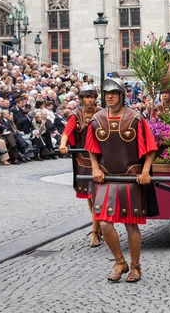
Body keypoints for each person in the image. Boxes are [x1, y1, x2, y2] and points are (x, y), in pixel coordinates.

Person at [85, 77, 159, 283]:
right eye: (107, 93)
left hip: (130, 177)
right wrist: (94, 167)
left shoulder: (135, 119)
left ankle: (135, 266)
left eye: (114, 93)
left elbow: (150, 148)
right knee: (105, 224)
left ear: (121, 95)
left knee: (130, 225)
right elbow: (92, 148)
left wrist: (145, 172)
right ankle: (120, 261)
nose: (109, 96)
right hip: (106, 176)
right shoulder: (97, 119)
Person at [59, 83, 103, 248]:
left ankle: (94, 232)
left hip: (99, 159)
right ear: (81, 98)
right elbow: (67, 131)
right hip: (82, 158)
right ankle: (96, 228)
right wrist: (63, 144)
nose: (89, 100)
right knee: (90, 197)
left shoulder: (101, 113)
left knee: (96, 195)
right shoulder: (76, 114)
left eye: (91, 96)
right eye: (86, 97)